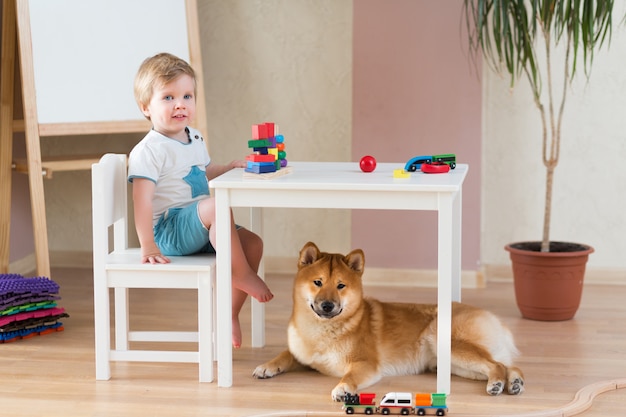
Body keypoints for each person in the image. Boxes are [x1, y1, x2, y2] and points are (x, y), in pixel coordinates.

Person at [128, 52, 273, 349]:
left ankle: (229, 314)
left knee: (253, 243)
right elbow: (141, 201)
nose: (180, 104)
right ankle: (242, 273)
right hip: (169, 231)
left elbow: (202, 173)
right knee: (217, 206)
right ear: (146, 108)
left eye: (187, 95)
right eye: (168, 97)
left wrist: (227, 167)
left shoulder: (194, 137)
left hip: (196, 225)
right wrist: (148, 245)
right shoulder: (149, 149)